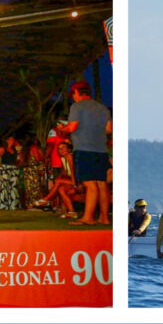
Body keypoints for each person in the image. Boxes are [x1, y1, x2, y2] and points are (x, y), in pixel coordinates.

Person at [60, 80, 112, 226]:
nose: (73, 97)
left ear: (77, 93)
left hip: (84, 149)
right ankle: (104, 218)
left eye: (73, 94)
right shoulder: (103, 108)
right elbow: (109, 129)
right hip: (101, 150)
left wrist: (62, 129)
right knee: (102, 184)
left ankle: (88, 217)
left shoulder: (77, 106)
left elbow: (72, 127)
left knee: (90, 184)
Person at [0, 136, 22, 212]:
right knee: (5, 186)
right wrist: (1, 166)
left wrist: (19, 153)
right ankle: (4, 205)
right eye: (10, 139)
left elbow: (19, 160)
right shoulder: (2, 149)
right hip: (5, 167)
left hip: (14, 168)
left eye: (13, 139)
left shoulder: (15, 150)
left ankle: (14, 205)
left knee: (14, 185)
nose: (12, 141)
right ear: (7, 140)